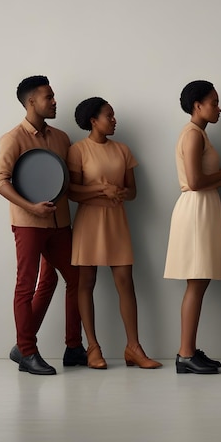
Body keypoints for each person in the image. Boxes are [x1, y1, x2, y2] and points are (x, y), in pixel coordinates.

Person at [0, 75, 85, 375]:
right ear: (31, 101)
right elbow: (0, 182)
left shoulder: (61, 138)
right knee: (26, 284)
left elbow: (69, 181)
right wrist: (31, 207)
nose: (55, 101)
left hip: (60, 223)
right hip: (29, 224)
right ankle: (27, 351)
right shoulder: (12, 138)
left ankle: (73, 347)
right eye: (49, 96)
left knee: (76, 279)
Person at [68, 97, 161, 369]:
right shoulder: (78, 150)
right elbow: (71, 192)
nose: (114, 120)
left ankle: (133, 347)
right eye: (109, 116)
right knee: (86, 282)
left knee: (125, 283)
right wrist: (101, 190)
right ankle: (93, 348)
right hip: (89, 221)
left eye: (114, 115)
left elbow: (133, 192)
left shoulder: (123, 150)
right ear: (93, 121)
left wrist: (121, 193)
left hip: (117, 221)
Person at [164, 81, 221, 374]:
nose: (219, 108)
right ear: (197, 105)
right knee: (195, 282)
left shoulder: (198, 133)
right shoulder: (193, 134)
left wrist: (220, 179)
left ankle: (188, 351)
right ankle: (185, 353)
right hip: (196, 209)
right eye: (214, 102)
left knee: (199, 281)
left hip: (202, 208)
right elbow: (194, 181)